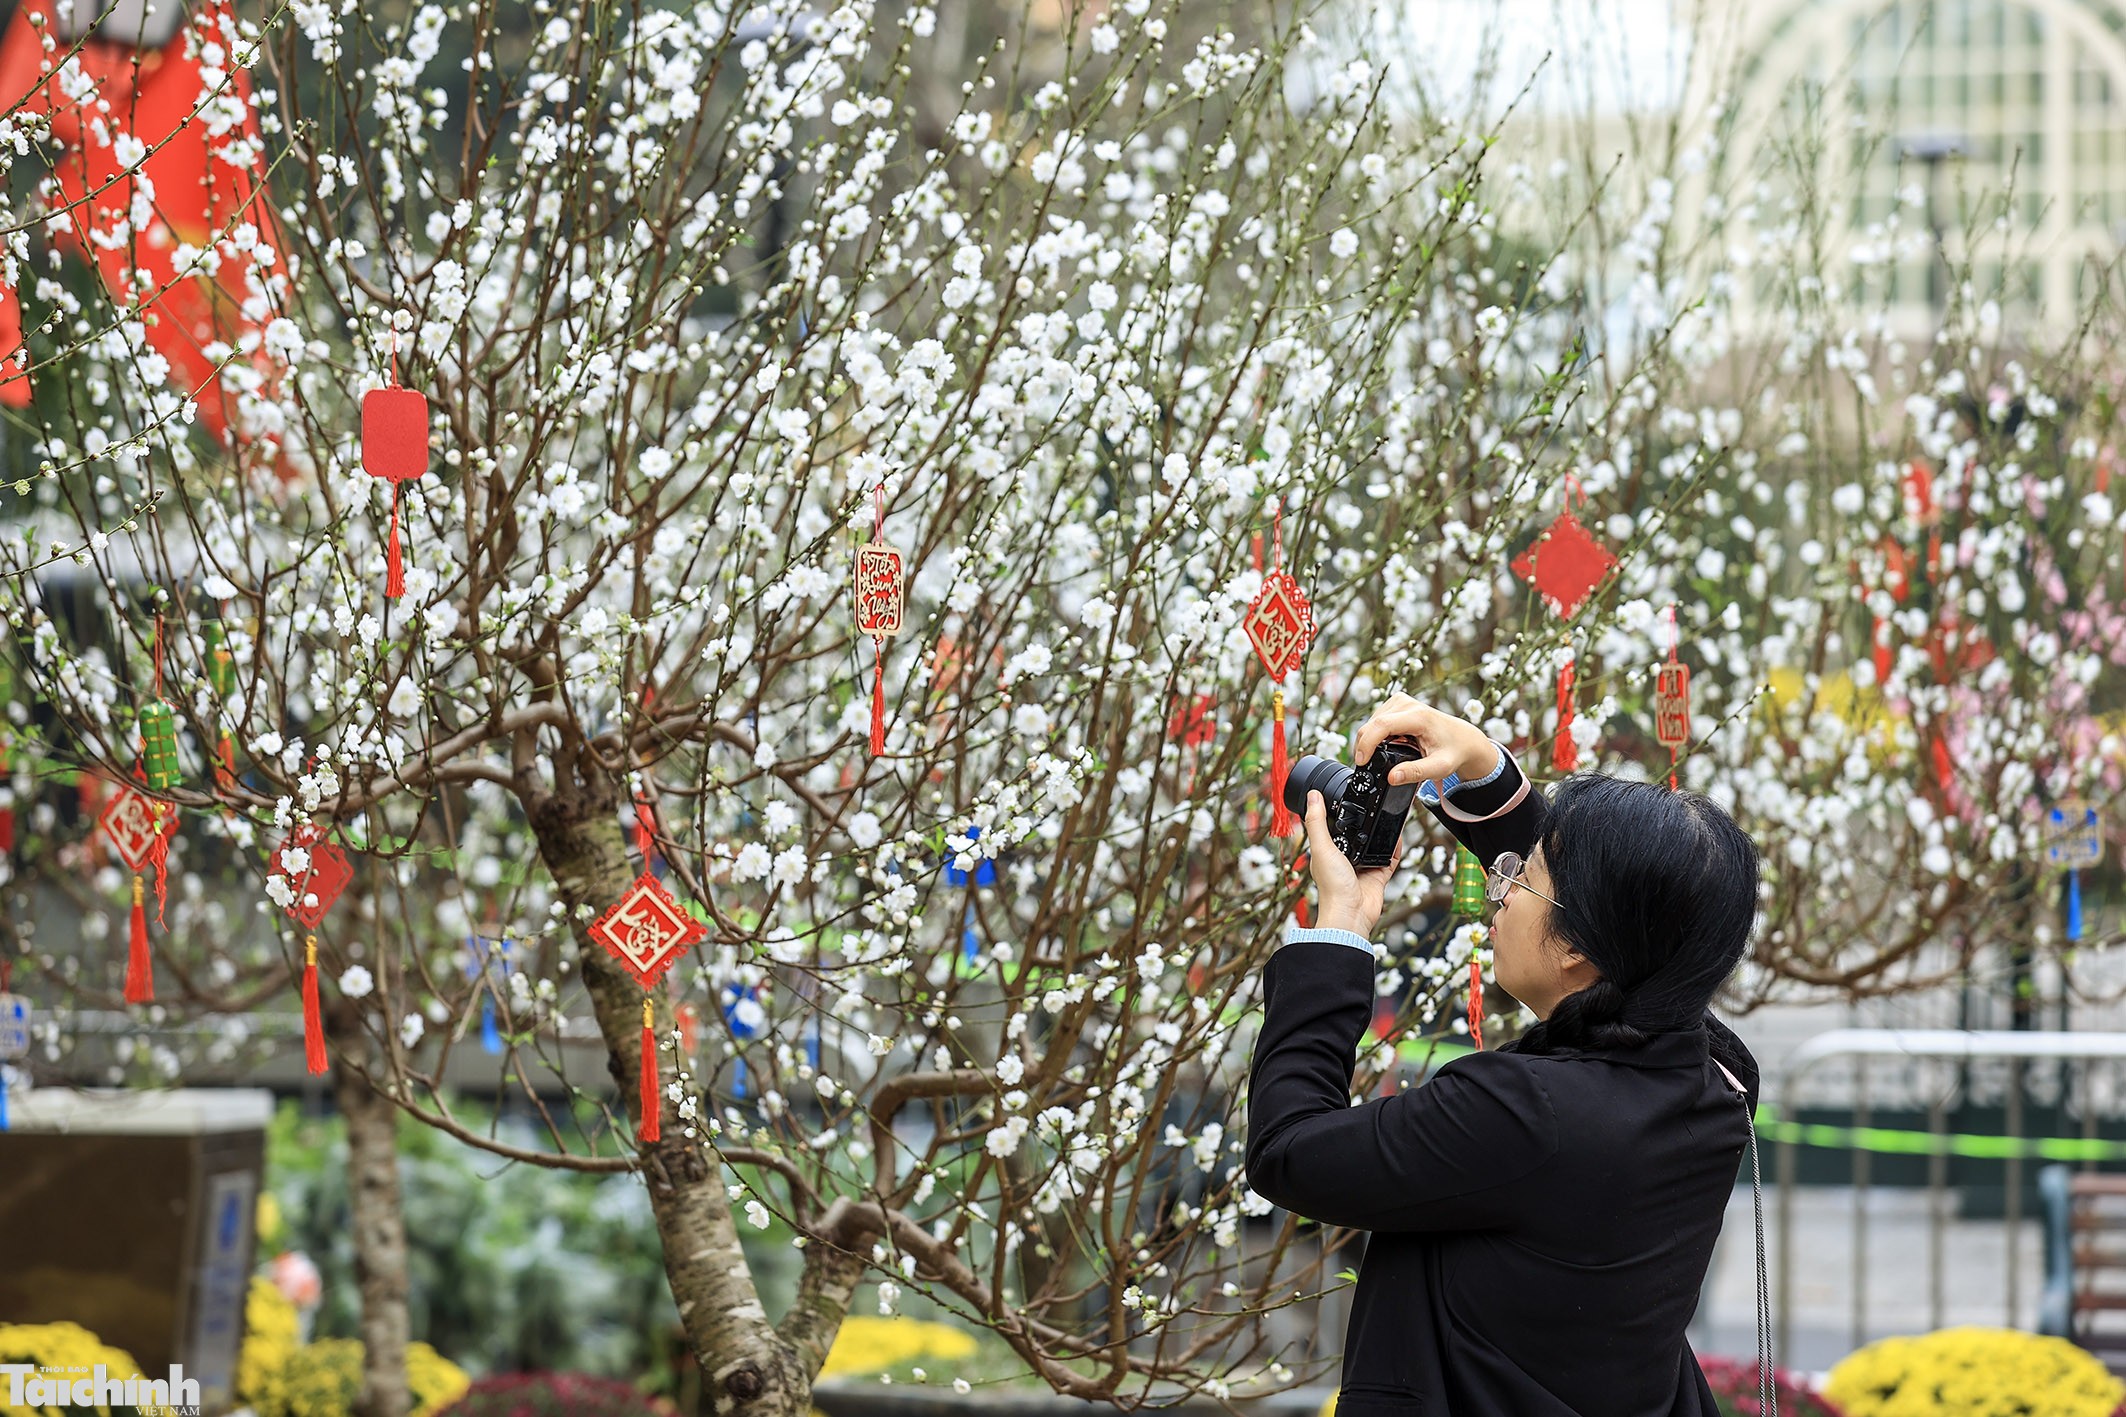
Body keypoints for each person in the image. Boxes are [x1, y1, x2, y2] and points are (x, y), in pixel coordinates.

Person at [1245, 695, 1763, 1417]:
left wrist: (1340, 930)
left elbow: (1288, 1148)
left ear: (1581, 947)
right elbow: (1643, 928)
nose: (1499, 887)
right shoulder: (1717, 1080)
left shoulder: (1521, 1112)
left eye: (1522, 877)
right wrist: (1483, 773)